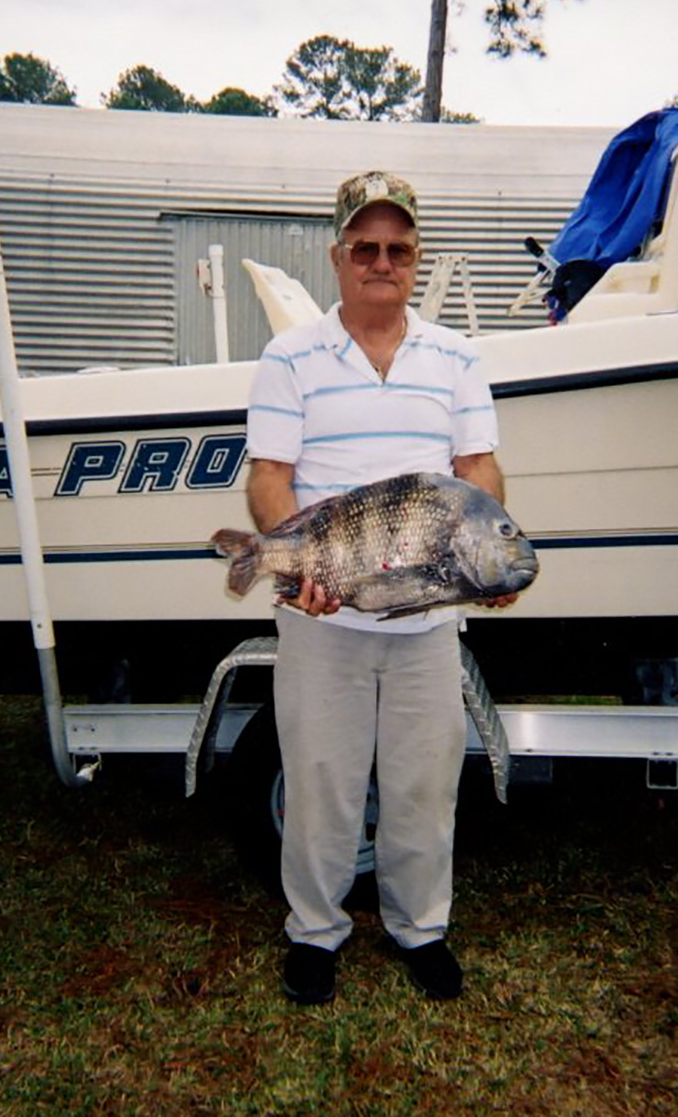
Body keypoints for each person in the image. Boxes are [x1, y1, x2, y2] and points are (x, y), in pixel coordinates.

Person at [245, 171, 516, 1006]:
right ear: (337, 256)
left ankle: (419, 927)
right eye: (364, 246)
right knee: (321, 780)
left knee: (424, 785)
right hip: (326, 619)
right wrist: (299, 571)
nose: (381, 261)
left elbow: (477, 472)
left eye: (398, 248)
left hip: (428, 628)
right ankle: (315, 933)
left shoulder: (456, 357)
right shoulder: (289, 356)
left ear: (416, 259)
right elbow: (269, 477)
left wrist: (490, 558)